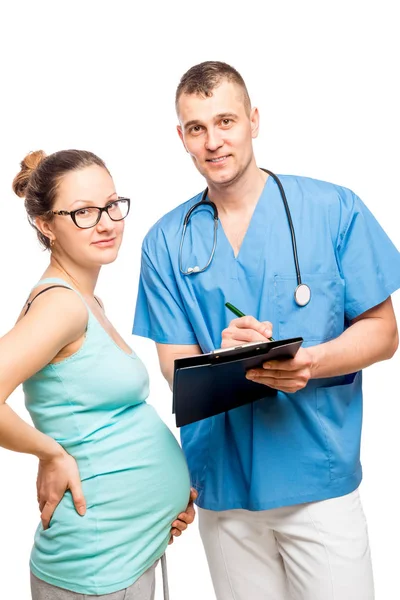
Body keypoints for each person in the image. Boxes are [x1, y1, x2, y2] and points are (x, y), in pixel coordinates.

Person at [132, 61, 400, 600]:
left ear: (254, 120)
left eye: (225, 121)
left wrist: (311, 363)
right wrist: (221, 358)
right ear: (180, 136)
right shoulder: (165, 242)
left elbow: (383, 332)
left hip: (317, 485)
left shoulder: (333, 209)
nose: (213, 141)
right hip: (224, 489)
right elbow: (172, 365)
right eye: (196, 127)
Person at [0, 149, 196, 600]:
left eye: (111, 205)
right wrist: (50, 454)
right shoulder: (61, 305)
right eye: (84, 212)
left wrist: (158, 505)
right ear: (46, 225)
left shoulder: (86, 301)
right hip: (93, 566)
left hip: (123, 554)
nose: (106, 222)